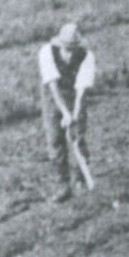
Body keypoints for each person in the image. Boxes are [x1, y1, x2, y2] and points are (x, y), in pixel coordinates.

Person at [37, 21, 96, 202]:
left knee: (78, 136)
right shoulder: (46, 53)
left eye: (73, 49)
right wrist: (64, 112)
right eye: (66, 49)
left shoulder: (87, 56)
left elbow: (81, 90)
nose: (69, 54)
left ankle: (80, 180)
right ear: (59, 45)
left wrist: (75, 112)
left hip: (74, 94)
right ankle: (63, 185)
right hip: (52, 96)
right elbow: (53, 86)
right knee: (55, 140)